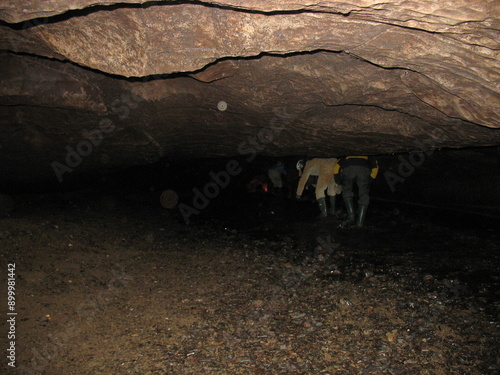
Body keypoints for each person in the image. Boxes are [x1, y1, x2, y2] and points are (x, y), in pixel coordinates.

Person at [334, 156, 379, 227]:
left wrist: (338, 183)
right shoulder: (368, 154)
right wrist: (369, 180)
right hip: (364, 170)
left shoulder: (347, 154)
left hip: (349, 168)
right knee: (364, 194)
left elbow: (336, 167)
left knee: (347, 190)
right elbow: (375, 168)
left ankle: (351, 217)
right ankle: (360, 223)